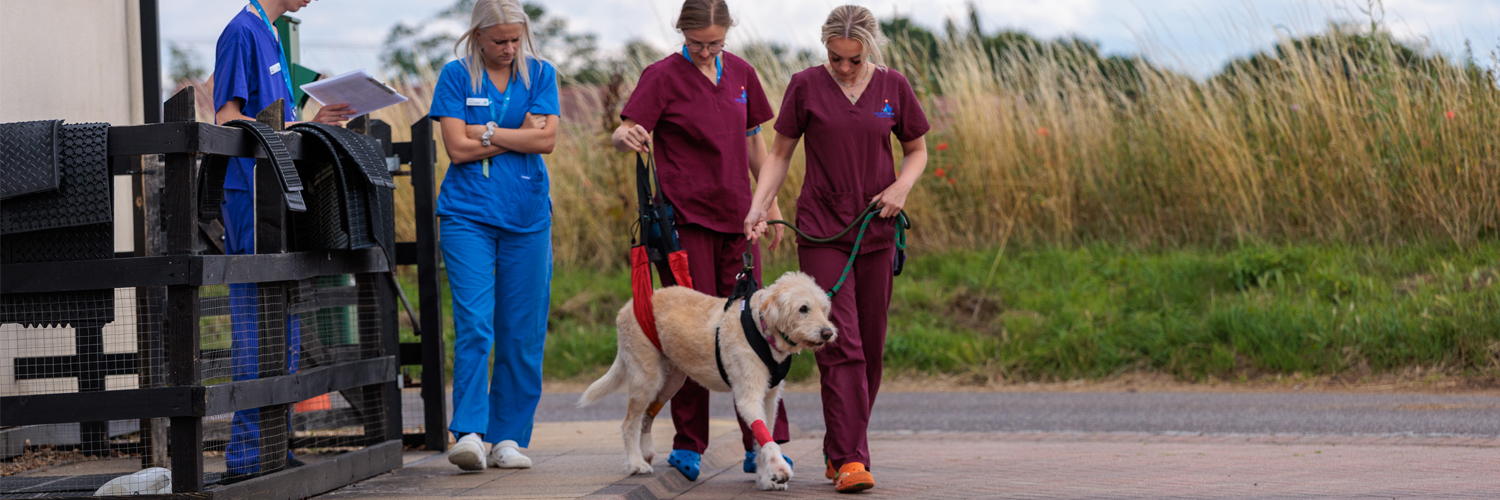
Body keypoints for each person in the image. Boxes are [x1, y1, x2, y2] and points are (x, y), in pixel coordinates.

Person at [743, 5, 930, 494]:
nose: (844, 67)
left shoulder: (894, 87)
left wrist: (901, 189)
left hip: (877, 227)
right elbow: (779, 153)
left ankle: (838, 445)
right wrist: (759, 207)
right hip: (823, 230)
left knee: (870, 347)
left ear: (870, 48)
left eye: (853, 58)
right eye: (835, 57)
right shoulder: (805, 86)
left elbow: (917, 150)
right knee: (837, 340)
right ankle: (851, 460)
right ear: (825, 48)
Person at [611, 0, 792, 481]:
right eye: (697, 43)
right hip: (684, 223)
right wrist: (623, 137)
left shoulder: (741, 73)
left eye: (716, 43)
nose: (707, 51)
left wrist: (770, 206)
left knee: (753, 330)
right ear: (682, 34)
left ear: (728, 34)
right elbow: (628, 129)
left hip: (740, 219)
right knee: (693, 331)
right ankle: (689, 443)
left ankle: (763, 444)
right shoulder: (662, 76)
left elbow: (756, 143)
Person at [211, 0, 352, 480]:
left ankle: (273, 443)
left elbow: (276, 119)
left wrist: (314, 122)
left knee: (284, 319)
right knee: (256, 321)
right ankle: (248, 456)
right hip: (250, 194)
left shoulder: (270, 31)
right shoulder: (241, 31)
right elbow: (229, 115)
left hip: (277, 190)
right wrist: (296, 129)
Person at [429, 0, 560, 472]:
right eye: (499, 40)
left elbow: (546, 140)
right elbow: (456, 148)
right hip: (468, 217)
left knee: (521, 332)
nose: (509, 48)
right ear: (478, 36)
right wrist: (511, 133)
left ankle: (508, 437)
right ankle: (469, 432)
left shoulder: (541, 74)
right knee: (475, 324)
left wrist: (485, 133)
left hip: (527, 218)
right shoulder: (455, 75)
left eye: (515, 39)